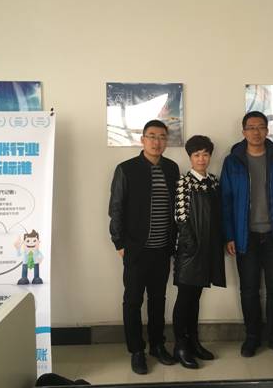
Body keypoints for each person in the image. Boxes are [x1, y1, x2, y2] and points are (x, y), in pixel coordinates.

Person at [220, 111, 273, 360]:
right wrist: (229, 235)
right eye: (251, 127)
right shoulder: (233, 161)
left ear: (267, 130)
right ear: (243, 131)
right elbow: (225, 201)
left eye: (261, 127)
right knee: (249, 290)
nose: (256, 132)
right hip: (246, 237)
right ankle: (252, 337)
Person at [108, 120, 179, 375]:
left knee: (158, 299)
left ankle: (157, 345)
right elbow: (116, 208)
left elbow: (176, 207)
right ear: (142, 139)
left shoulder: (172, 168)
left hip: (163, 249)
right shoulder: (126, 169)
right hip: (136, 249)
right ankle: (137, 350)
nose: (157, 142)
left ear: (166, 140)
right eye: (152, 136)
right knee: (133, 301)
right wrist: (119, 242)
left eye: (162, 137)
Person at [172, 135, 226, 369]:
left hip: (208, 249)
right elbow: (181, 217)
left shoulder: (213, 181)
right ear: (190, 157)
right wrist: (191, 245)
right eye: (197, 155)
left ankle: (193, 342)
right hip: (189, 251)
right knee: (184, 299)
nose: (201, 159)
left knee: (195, 299)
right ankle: (180, 346)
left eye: (205, 154)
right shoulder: (183, 182)